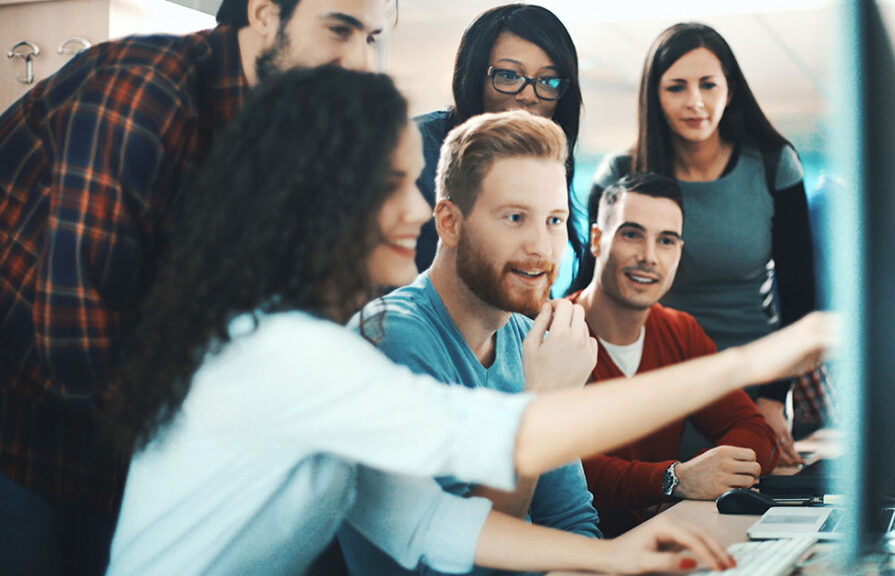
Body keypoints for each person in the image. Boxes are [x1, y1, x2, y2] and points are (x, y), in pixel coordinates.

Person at [106, 67, 828, 574]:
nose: (418, 211)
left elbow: (425, 521)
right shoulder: (296, 352)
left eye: (550, 219)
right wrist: (756, 361)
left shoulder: (316, 348)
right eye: (394, 185)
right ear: (317, 199)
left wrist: (607, 555)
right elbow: (505, 441)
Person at [0, 0, 389, 571]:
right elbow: (73, 337)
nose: (359, 63)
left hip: (130, 444)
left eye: (372, 38)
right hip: (23, 431)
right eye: (339, 30)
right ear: (263, 15)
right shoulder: (145, 92)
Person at [340, 110, 599, 575]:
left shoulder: (528, 337)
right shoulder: (387, 340)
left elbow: (572, 521)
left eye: (555, 220)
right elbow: (456, 566)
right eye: (516, 217)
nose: (541, 247)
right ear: (449, 223)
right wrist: (541, 403)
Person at [571, 23, 822, 466]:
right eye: (676, 87)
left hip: (754, 374)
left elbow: (799, 294)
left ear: (731, 87)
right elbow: (591, 283)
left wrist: (772, 396)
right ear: (655, 94)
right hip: (658, 375)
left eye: (708, 84)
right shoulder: (622, 173)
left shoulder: (772, 163)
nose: (695, 102)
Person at [568, 173, 778, 537]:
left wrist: (708, 476)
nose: (649, 257)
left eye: (666, 241)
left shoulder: (680, 332)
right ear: (598, 241)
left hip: (663, 540)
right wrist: (672, 480)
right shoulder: (550, 332)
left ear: (679, 252)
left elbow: (757, 430)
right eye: (632, 234)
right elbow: (558, 469)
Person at [413, 3, 585, 277]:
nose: (529, 95)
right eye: (508, 75)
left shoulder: (544, 163)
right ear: (474, 78)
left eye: (548, 81)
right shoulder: (416, 150)